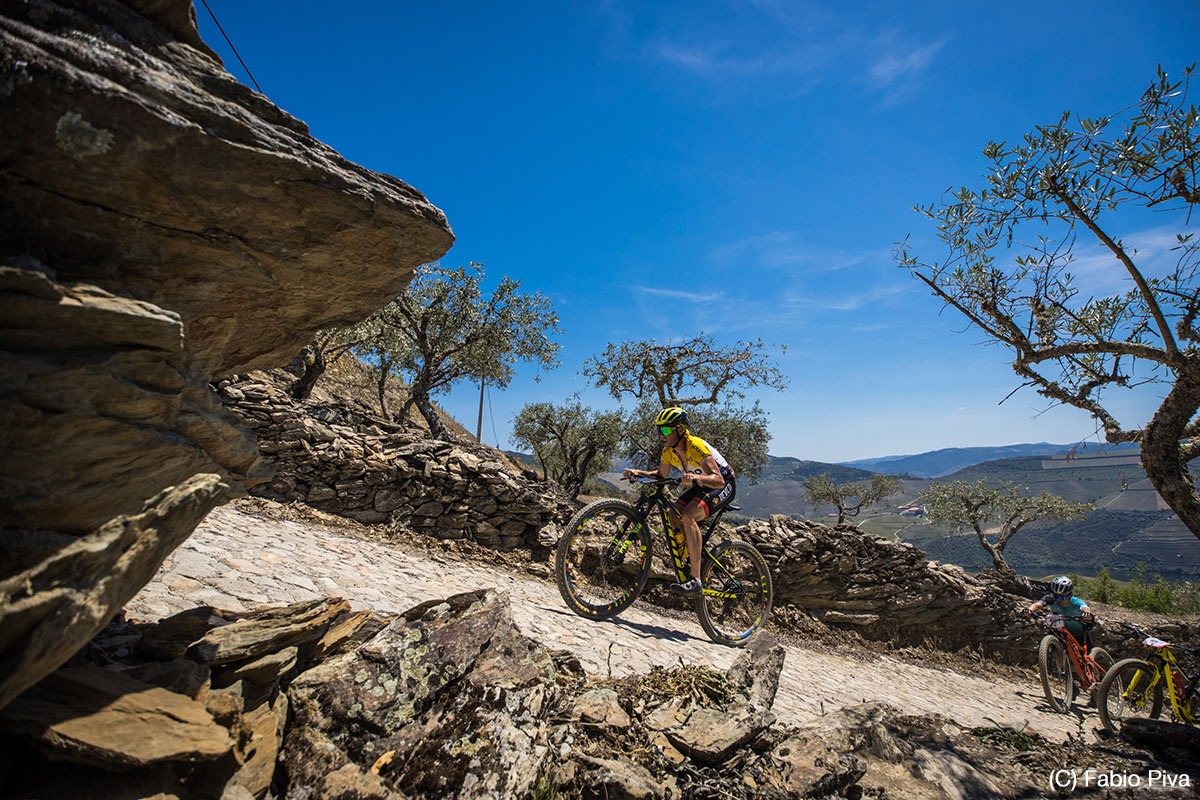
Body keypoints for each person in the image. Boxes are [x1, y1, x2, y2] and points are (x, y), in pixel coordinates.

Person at [623, 407, 736, 595]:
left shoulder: (696, 446)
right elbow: (660, 475)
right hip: (701, 485)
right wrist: (638, 473)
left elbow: (718, 480)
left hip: (723, 484)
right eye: (659, 430)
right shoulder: (669, 452)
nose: (662, 435)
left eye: (666, 430)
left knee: (688, 515)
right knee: (672, 513)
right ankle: (687, 557)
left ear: (681, 430)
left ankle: (696, 579)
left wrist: (693, 478)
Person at [1027, 575, 1095, 648]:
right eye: (1056, 596)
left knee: (1087, 654)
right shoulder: (1051, 599)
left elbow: (1084, 607)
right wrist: (1029, 610)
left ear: (1070, 595)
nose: (1059, 599)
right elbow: (1038, 604)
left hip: (1080, 633)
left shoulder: (1076, 602)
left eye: (1062, 597)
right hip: (1062, 631)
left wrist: (1087, 613)